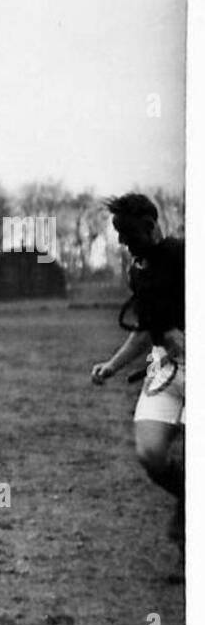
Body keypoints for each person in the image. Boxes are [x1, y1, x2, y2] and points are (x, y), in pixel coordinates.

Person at [90, 192, 185, 551]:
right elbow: (145, 329)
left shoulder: (184, 254)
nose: (121, 241)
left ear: (150, 226)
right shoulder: (139, 270)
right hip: (165, 369)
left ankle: (187, 543)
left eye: (127, 233)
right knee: (150, 454)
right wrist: (112, 365)